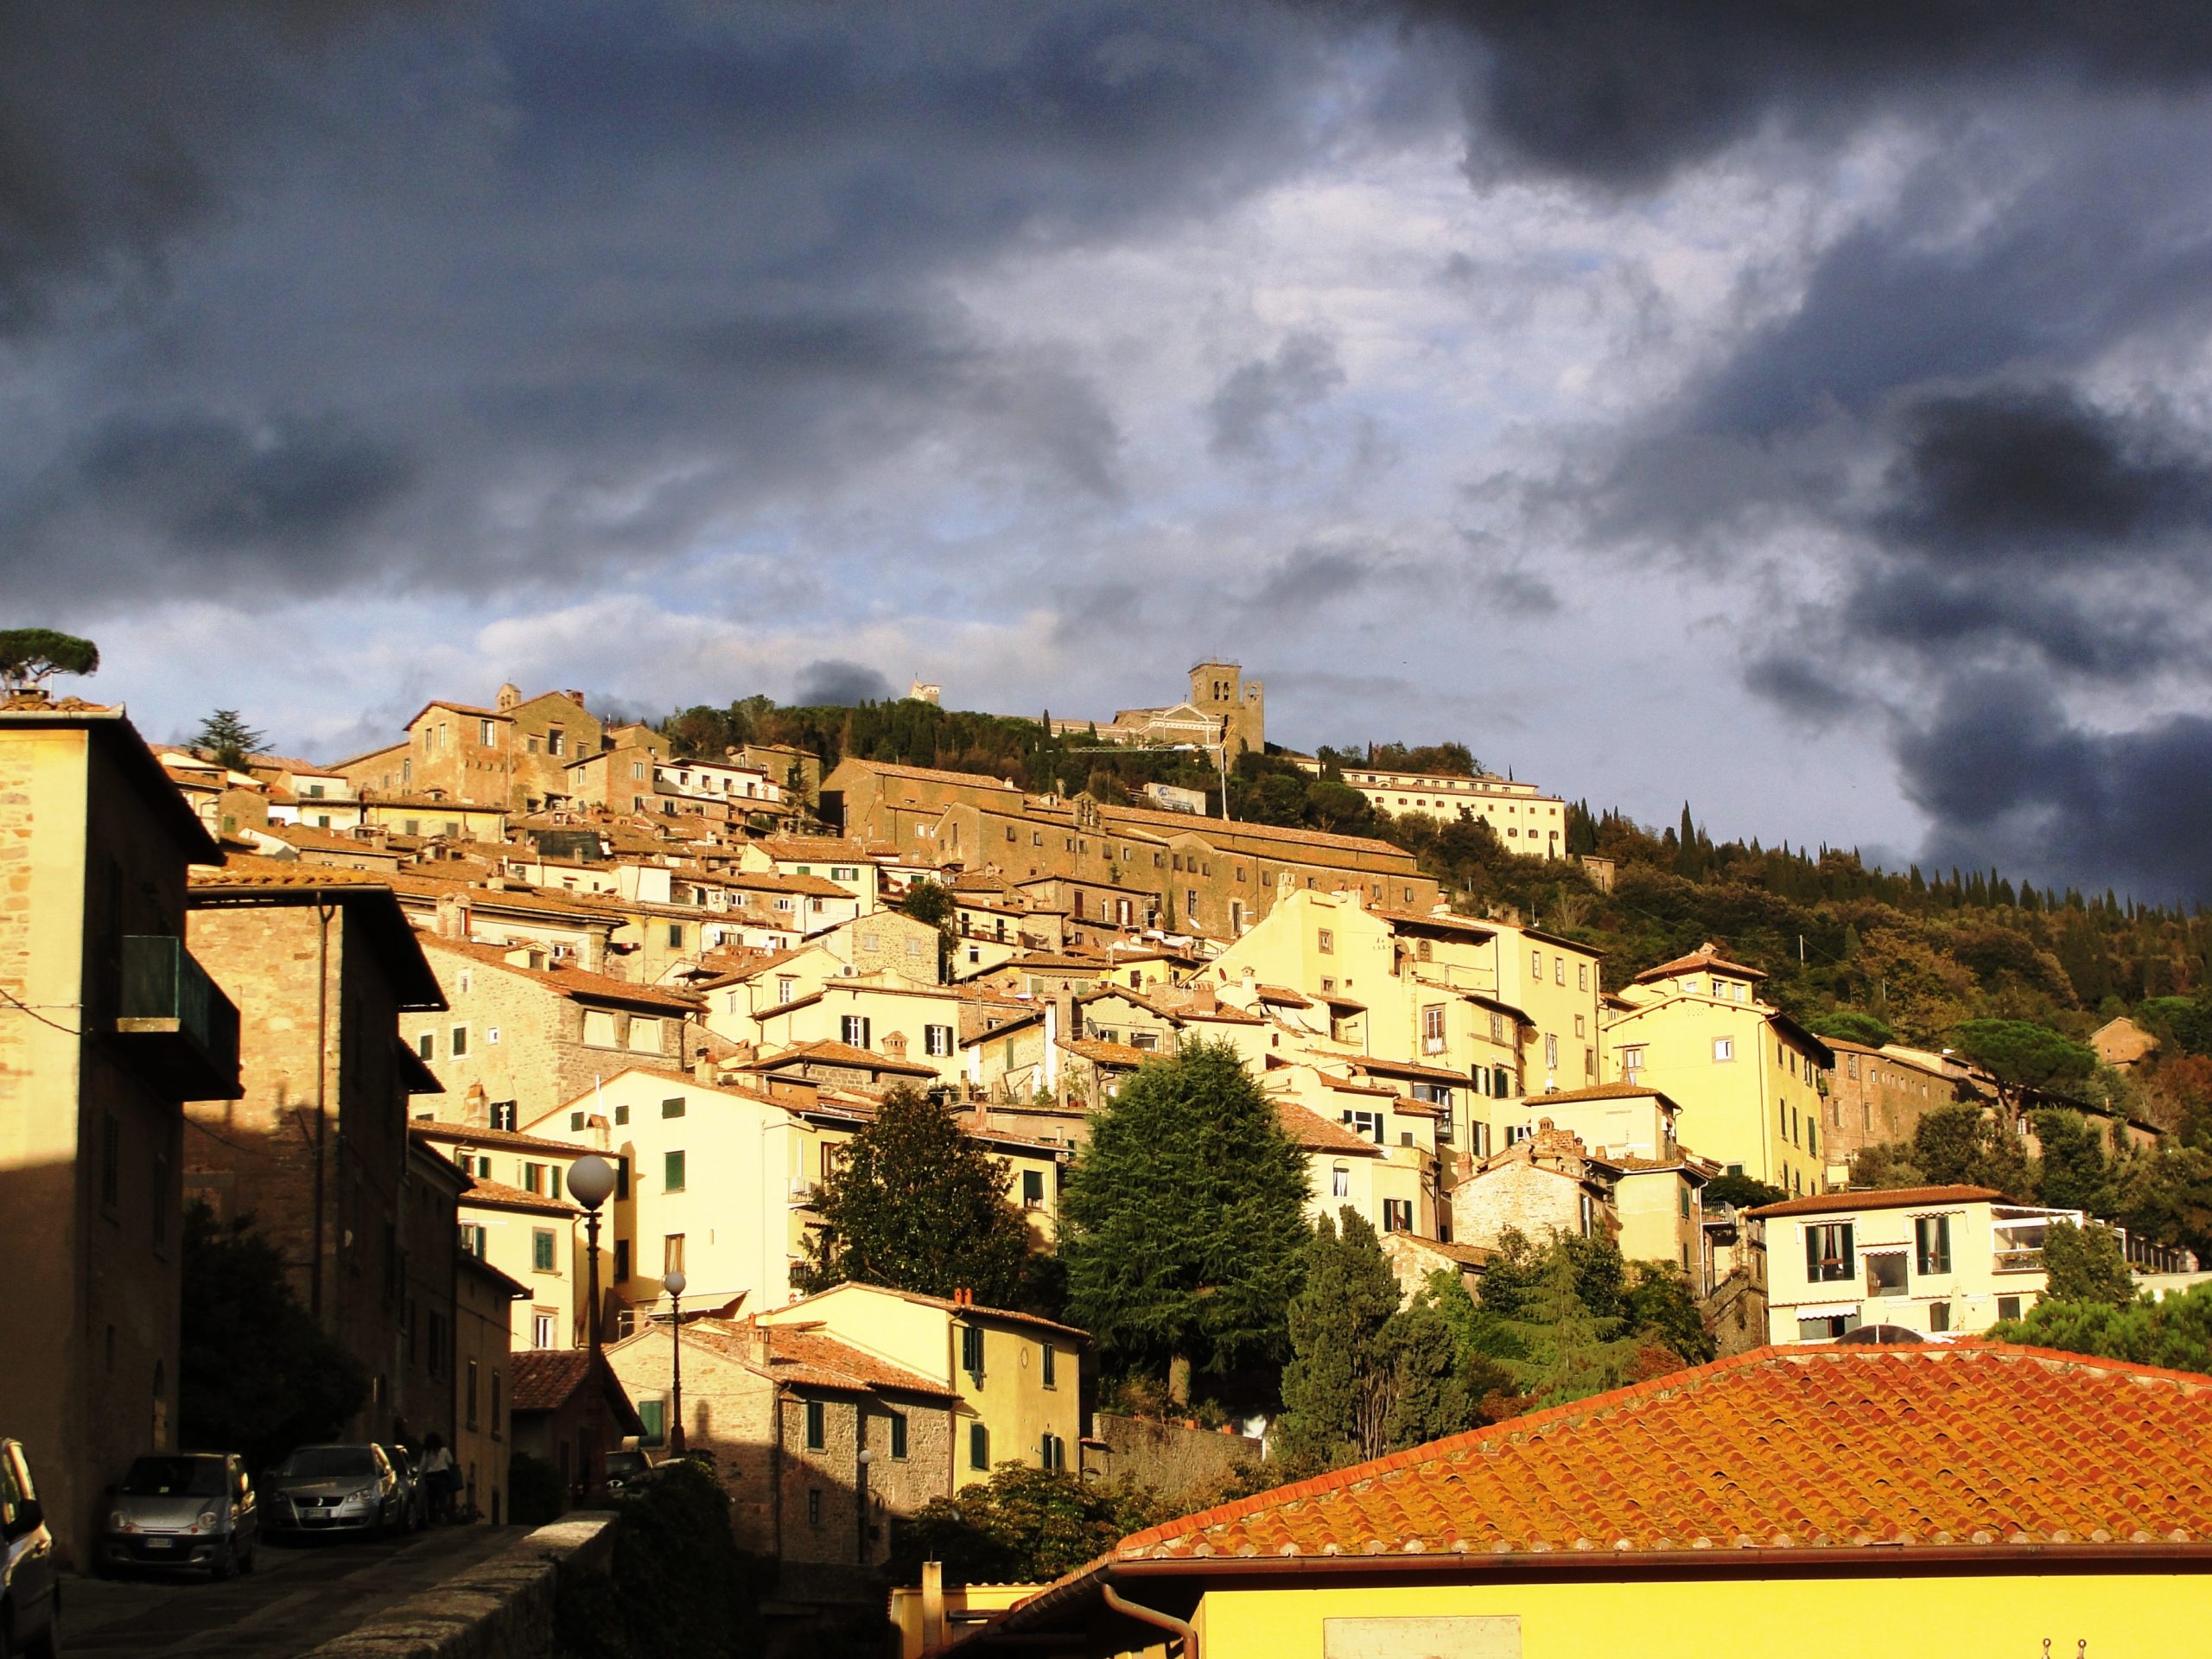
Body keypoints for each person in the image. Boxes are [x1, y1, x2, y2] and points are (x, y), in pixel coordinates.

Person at [420, 1433, 457, 1522]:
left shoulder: (427, 1452)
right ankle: (448, 1517)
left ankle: (433, 1520)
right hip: (442, 1476)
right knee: (442, 1499)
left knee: (431, 1500)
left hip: (430, 1477)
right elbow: (451, 1461)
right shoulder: (444, 1450)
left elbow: (422, 1466)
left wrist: (420, 1475)